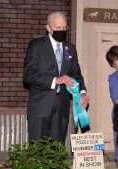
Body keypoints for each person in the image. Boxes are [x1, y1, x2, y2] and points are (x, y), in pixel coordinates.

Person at [23, 11, 89, 145]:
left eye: (64, 28)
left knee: (57, 149)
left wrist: (83, 93)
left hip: (62, 107)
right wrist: (55, 80)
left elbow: (76, 74)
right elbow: (28, 75)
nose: (62, 31)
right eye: (58, 28)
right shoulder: (36, 46)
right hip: (40, 105)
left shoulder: (70, 49)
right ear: (48, 28)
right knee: (38, 149)